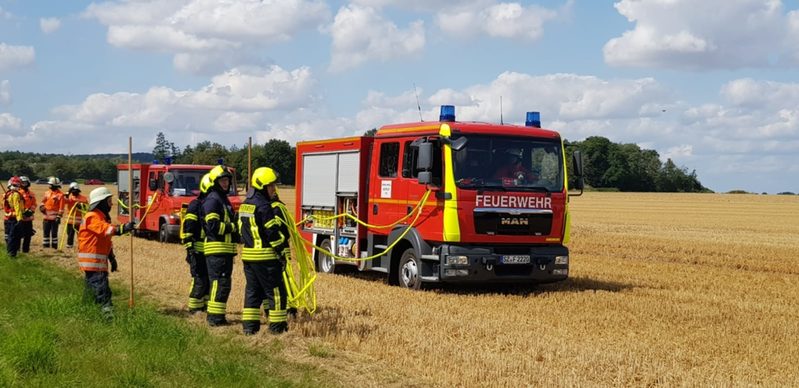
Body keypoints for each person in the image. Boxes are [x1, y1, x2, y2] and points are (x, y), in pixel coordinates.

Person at [238, 167, 292, 335]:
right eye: (271, 186)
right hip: (266, 257)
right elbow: (272, 234)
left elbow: (241, 231)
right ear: (262, 186)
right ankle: (277, 329)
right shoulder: (264, 206)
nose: (273, 189)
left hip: (249, 257)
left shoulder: (245, 206)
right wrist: (282, 248)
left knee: (252, 292)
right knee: (276, 292)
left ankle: (249, 328)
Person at [78, 187, 135, 318]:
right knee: (102, 291)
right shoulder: (92, 217)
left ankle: (86, 314)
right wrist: (124, 228)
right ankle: (108, 317)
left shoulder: (100, 218)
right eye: (109, 201)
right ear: (101, 202)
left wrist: (112, 257)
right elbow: (107, 231)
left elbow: (106, 241)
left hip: (96, 263)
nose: (111, 204)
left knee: (91, 292)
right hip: (93, 263)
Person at [202, 165, 238, 327]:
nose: (225, 183)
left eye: (227, 180)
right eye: (222, 180)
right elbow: (213, 226)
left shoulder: (222, 199)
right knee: (219, 283)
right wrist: (233, 227)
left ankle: (218, 316)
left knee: (223, 284)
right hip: (217, 251)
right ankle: (215, 318)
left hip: (224, 251)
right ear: (215, 182)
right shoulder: (213, 200)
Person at [180, 173, 212, 314]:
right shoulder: (196, 205)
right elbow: (188, 228)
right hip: (197, 250)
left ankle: (204, 306)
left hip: (209, 250)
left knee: (208, 281)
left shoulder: (210, 205)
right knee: (199, 280)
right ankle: (194, 308)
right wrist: (190, 249)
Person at [40, 177, 65, 249]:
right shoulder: (47, 193)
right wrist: (41, 207)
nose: (49, 185)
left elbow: (61, 208)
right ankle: (46, 247)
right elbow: (42, 202)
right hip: (46, 218)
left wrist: (59, 217)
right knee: (46, 233)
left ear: (55, 185)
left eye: (50, 184)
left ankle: (54, 248)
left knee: (54, 234)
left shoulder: (60, 195)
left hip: (55, 219)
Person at [64, 182, 89, 249]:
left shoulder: (83, 198)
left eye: (75, 191)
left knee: (81, 235)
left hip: (79, 222)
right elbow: (63, 200)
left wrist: (81, 206)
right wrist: (67, 192)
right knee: (70, 235)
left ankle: (82, 247)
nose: (74, 192)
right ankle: (69, 247)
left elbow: (87, 208)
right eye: (72, 191)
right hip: (70, 221)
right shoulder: (69, 198)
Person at [3, 177, 24, 257]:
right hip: (13, 218)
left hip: (12, 218)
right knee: (13, 237)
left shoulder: (11, 194)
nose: (16, 187)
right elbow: (16, 207)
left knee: (12, 236)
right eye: (14, 185)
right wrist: (19, 219)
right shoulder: (12, 194)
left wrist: (20, 218)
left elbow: (17, 208)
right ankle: (12, 253)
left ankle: (11, 253)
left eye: (17, 185)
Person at [17, 176, 36, 253]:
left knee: (28, 235)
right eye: (22, 183)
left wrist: (31, 211)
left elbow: (34, 204)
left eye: (26, 183)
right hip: (19, 218)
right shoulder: (17, 193)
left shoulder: (31, 193)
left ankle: (26, 250)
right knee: (18, 235)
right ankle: (17, 249)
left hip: (28, 218)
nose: (24, 184)